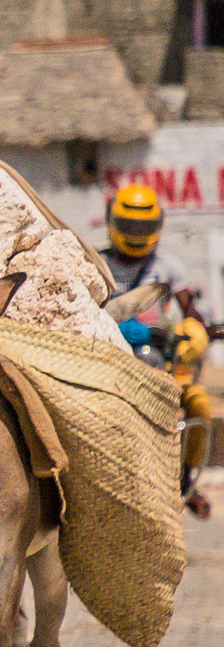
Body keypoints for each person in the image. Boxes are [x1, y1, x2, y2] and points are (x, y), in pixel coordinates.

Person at [102, 183, 217, 517]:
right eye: (130, 226)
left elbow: (191, 313)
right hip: (111, 364)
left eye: (144, 227)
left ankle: (187, 481)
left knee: (199, 404)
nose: (137, 234)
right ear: (113, 222)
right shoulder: (98, 264)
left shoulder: (169, 267)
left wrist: (201, 330)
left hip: (163, 367)